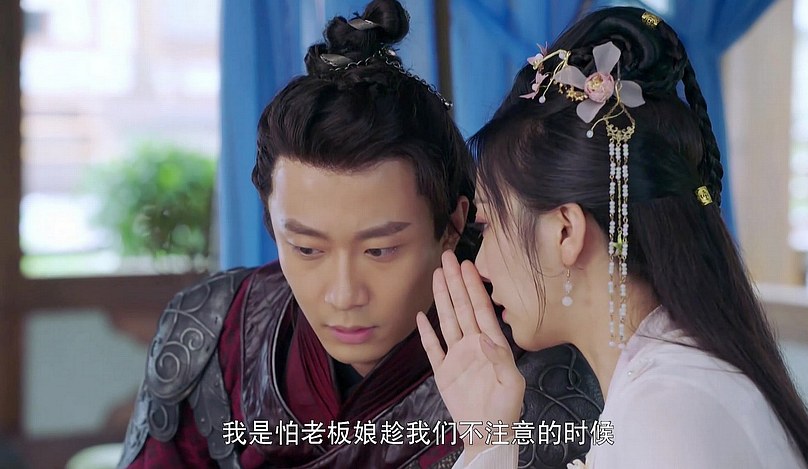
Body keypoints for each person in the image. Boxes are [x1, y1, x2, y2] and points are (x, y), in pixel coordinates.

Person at [116, 1, 602, 468]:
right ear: (271, 224)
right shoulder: (211, 329)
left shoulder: (536, 373)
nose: (344, 294)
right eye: (306, 248)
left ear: (453, 225)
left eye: (380, 250)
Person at [417, 6, 808, 469]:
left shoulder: (667, 416)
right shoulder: (665, 390)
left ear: (566, 232)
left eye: (489, 225)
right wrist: (487, 437)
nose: (481, 265)